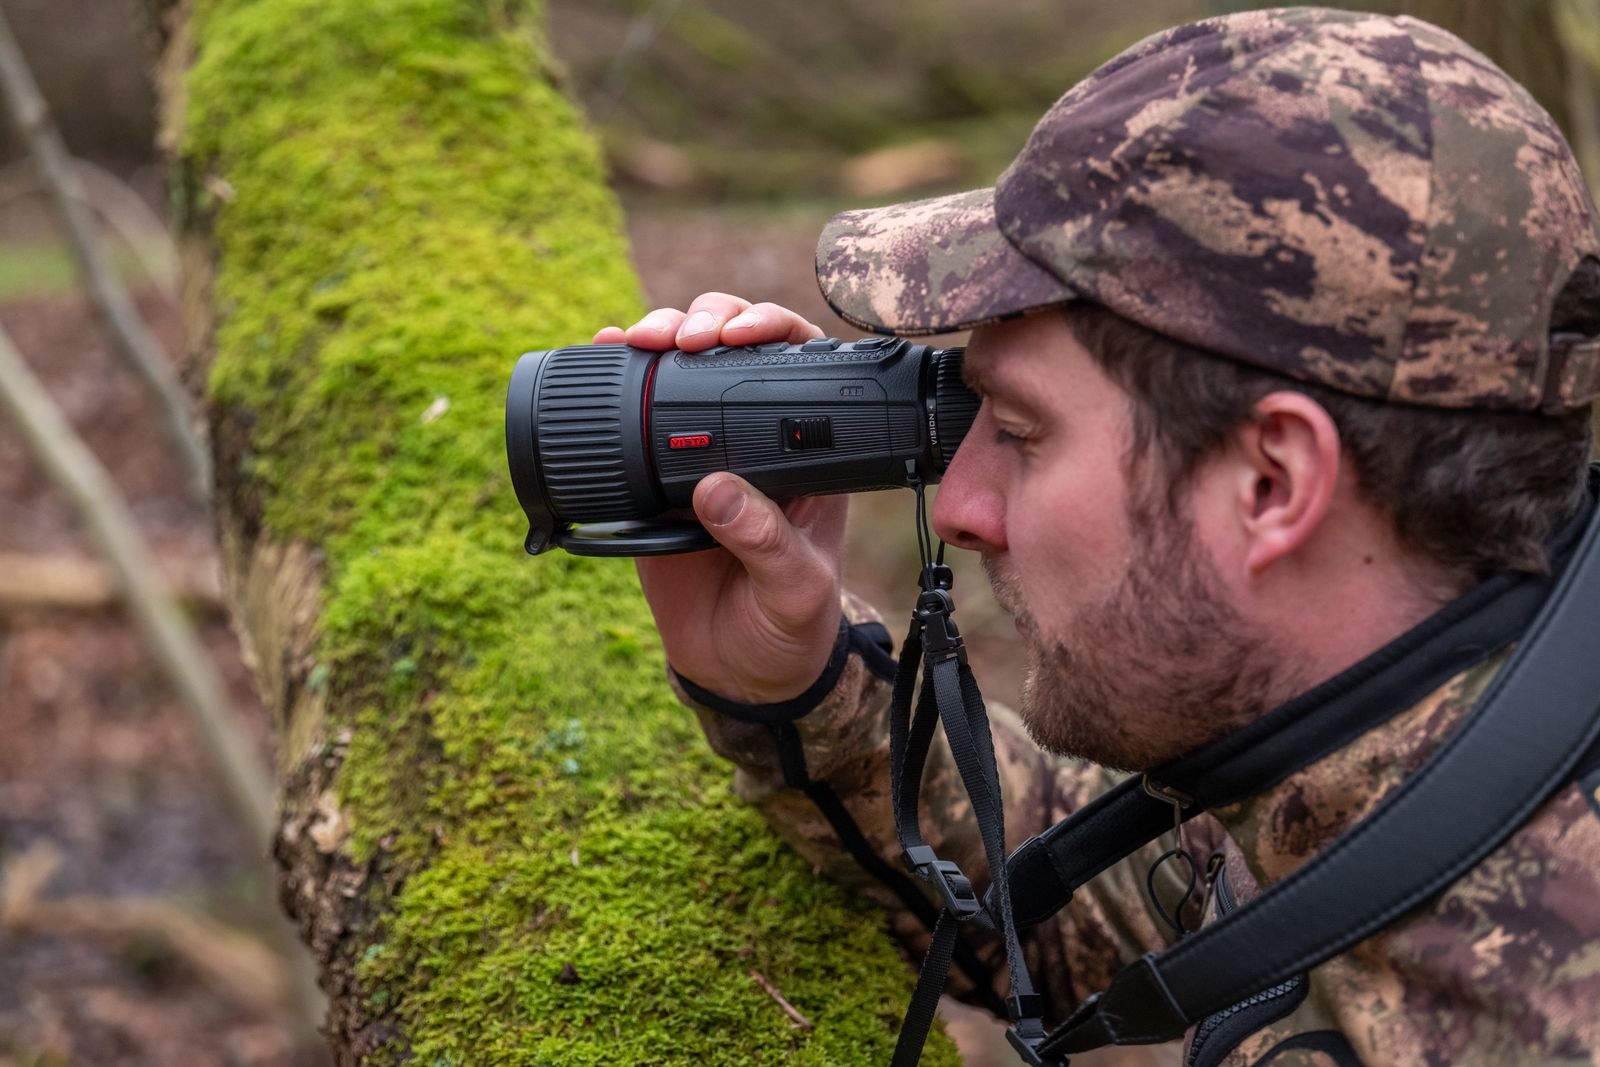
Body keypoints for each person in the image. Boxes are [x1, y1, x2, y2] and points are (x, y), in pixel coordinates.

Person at [594, 8, 1600, 1065]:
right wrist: (800, 686)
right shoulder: (1401, 730)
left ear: (1272, 482)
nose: (960, 505)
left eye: (1021, 431)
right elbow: (1071, 896)